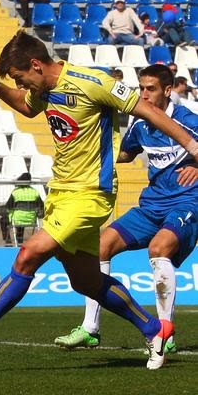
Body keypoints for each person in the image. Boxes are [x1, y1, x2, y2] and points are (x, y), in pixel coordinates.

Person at [0, 31, 198, 370]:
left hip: (91, 193)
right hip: (62, 192)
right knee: (86, 281)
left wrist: (193, 147)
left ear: (35, 65)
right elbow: (24, 106)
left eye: (20, 78)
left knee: (29, 254)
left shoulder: (92, 81)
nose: (22, 86)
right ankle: (155, 330)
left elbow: (148, 111)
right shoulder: (43, 89)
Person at [54, 64, 198, 355]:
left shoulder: (187, 120)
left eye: (151, 89)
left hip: (187, 202)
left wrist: (196, 164)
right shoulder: (141, 124)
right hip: (151, 204)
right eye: (141, 88)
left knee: (159, 249)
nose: (143, 94)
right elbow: (125, 153)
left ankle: (164, 332)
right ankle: (90, 328)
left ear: (168, 91)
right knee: (100, 245)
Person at [0, 172, 44, 245]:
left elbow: (8, 207)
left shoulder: (16, 192)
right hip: (31, 219)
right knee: (21, 219)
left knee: (3, 220)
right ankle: (19, 241)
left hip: (17, 219)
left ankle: (8, 241)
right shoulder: (35, 192)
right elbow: (41, 206)